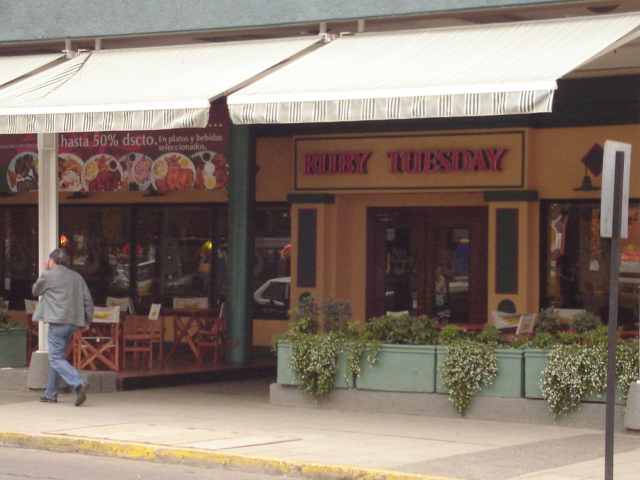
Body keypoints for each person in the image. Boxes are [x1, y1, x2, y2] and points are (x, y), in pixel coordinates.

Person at [32, 248, 94, 406]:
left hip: (57, 322)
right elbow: (88, 300)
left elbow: (36, 290)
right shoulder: (77, 277)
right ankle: (51, 394)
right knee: (58, 358)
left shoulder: (49, 275)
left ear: (52, 261)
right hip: (73, 323)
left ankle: (78, 382)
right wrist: (87, 321)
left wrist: (45, 271)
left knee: (55, 358)